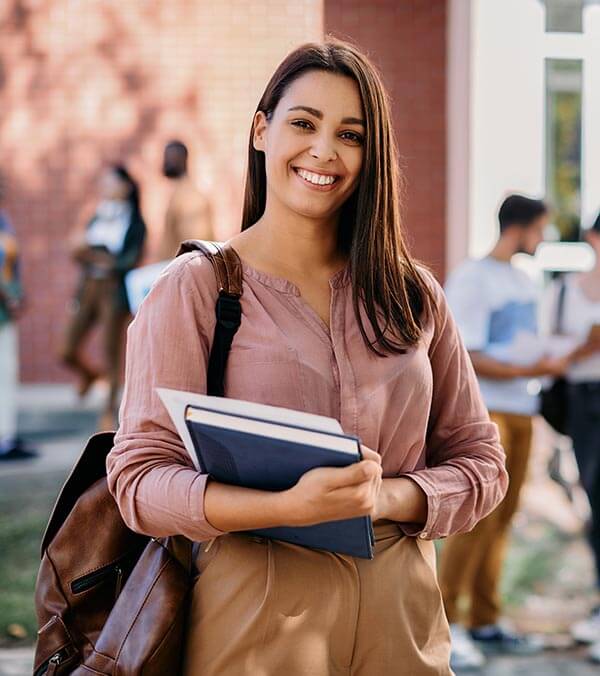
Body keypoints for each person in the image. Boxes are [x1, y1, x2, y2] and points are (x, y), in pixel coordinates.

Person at [107, 40, 508, 675]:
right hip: (254, 607)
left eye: (350, 134)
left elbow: (482, 464)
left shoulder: (413, 295)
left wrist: (388, 498)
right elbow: (137, 482)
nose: (324, 151)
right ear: (261, 130)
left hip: (401, 612)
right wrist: (285, 508)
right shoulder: (196, 289)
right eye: (303, 123)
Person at [438, 194, 569, 669]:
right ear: (519, 228)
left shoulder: (523, 280)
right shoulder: (472, 279)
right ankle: (445, 625)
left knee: (505, 518)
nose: (544, 239)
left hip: (523, 410)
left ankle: (485, 621)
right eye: (540, 229)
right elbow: (463, 354)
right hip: (485, 411)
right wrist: (527, 369)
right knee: (475, 521)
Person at [544, 213, 600, 663]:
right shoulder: (564, 292)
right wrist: (583, 348)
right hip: (586, 402)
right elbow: (548, 357)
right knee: (597, 499)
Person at [60, 165, 146, 430]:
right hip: (89, 288)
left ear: (125, 186)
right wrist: (94, 255)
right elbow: (78, 249)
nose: (105, 187)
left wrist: (95, 255)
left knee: (111, 354)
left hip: (113, 291)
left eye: (110, 182)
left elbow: (127, 260)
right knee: (66, 349)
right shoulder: (98, 214)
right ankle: (88, 373)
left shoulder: (135, 221)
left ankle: (108, 413)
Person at [0, 180, 34, 461]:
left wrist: (17, 295)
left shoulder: (4, 221)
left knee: (6, 372)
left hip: (5, 313)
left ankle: (6, 436)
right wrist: (9, 294)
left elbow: (12, 266)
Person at [158, 141, 214, 259]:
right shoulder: (177, 193)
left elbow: (196, 248)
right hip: (169, 264)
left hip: (183, 266)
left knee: (135, 277)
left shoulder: (191, 198)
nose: (166, 162)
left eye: (172, 157)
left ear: (183, 159)